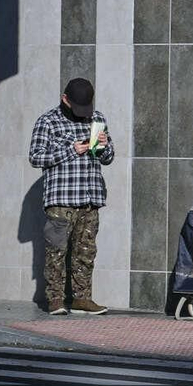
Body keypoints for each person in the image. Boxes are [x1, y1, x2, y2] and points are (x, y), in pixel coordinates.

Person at [28, 77, 116, 315]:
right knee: (56, 251)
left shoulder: (97, 119)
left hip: (90, 197)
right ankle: (55, 299)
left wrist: (104, 146)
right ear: (64, 99)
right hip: (61, 200)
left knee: (86, 252)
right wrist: (70, 150)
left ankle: (82, 298)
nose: (83, 113)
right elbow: (35, 157)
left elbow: (107, 158)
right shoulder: (48, 121)